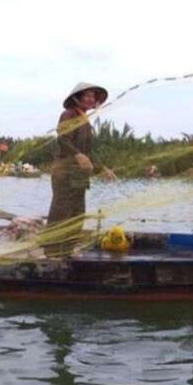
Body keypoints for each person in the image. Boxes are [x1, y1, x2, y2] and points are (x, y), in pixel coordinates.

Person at [45, 82, 117, 257]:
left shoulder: (84, 120)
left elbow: (88, 153)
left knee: (77, 213)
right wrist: (77, 155)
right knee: (61, 212)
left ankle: (67, 250)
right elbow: (62, 138)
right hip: (65, 172)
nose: (91, 99)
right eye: (87, 96)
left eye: (93, 97)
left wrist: (104, 168)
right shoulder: (68, 114)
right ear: (77, 98)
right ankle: (53, 251)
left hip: (79, 175)